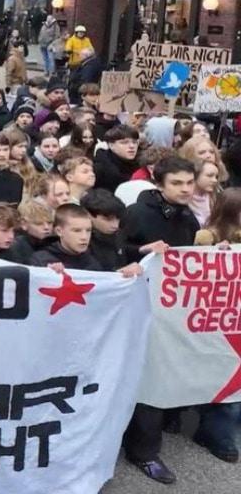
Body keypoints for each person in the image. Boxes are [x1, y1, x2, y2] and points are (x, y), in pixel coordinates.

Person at [119, 155, 201, 483]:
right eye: (177, 183)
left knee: (164, 373)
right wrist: (141, 251)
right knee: (147, 378)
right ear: (159, 184)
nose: (185, 189)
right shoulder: (137, 213)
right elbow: (114, 249)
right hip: (137, 307)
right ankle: (143, 452)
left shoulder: (190, 218)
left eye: (189, 183)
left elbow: (188, 260)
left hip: (170, 310)